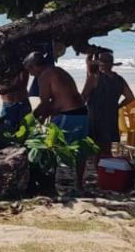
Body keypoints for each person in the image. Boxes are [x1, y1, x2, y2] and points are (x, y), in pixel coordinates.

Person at [24, 50, 88, 191]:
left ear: (34, 66)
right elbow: (59, 98)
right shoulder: (58, 70)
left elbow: (45, 104)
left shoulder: (44, 76)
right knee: (80, 150)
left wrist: (30, 120)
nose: (29, 74)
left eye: (29, 69)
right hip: (82, 113)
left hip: (68, 115)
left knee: (53, 148)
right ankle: (79, 185)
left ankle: (54, 184)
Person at [81, 49, 134, 157]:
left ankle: (100, 168)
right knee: (107, 148)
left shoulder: (94, 77)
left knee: (93, 147)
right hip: (111, 116)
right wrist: (118, 106)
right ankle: (105, 167)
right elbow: (130, 97)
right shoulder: (119, 79)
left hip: (95, 117)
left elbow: (83, 97)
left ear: (100, 63)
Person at [0, 67, 31, 131]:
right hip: (6, 104)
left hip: (22, 103)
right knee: (4, 132)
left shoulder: (20, 66)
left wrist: (6, 90)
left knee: (26, 130)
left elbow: (23, 84)